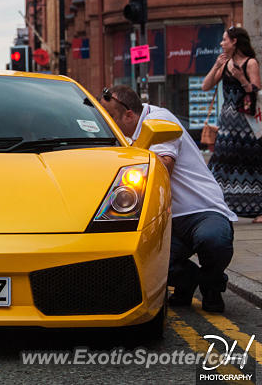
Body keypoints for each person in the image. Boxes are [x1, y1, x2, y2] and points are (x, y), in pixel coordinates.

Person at [99, 85, 237, 313]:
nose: (108, 123)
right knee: (145, 262)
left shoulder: (160, 121)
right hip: (168, 219)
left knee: (214, 240)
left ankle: (212, 286)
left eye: (111, 117)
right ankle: (191, 280)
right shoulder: (121, 136)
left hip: (201, 210)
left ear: (129, 114)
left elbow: (164, 166)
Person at [202, 26, 262, 223]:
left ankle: (258, 210)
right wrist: (216, 65)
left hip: (247, 126)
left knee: (252, 164)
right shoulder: (225, 62)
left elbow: (256, 90)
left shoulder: (250, 63)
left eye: (224, 39)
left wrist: (241, 79)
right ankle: (220, 206)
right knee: (221, 164)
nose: (221, 43)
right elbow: (206, 85)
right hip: (227, 125)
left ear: (234, 41)